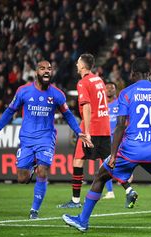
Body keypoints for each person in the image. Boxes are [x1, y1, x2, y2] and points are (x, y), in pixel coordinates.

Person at [62, 57, 151, 237]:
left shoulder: (127, 93)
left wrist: (113, 155)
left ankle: (83, 220)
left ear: (133, 74)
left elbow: (120, 126)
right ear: (150, 74)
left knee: (101, 177)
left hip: (131, 150)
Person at [0, 60, 92, 219]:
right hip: (27, 139)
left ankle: (34, 210)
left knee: (42, 172)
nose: (46, 71)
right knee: (22, 178)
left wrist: (79, 131)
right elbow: (10, 111)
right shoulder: (23, 91)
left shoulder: (57, 94)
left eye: (49, 69)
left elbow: (68, 114)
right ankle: (32, 167)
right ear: (36, 72)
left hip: (46, 138)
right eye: (42, 68)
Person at [58, 54, 137, 209]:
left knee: (78, 161)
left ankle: (75, 201)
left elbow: (86, 107)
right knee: (110, 163)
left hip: (92, 127)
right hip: (104, 127)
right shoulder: (99, 80)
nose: (76, 64)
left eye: (78, 62)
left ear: (82, 65)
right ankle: (129, 189)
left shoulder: (82, 83)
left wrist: (86, 131)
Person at [102, 81, 137, 204]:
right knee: (106, 164)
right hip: (106, 139)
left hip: (119, 139)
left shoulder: (120, 103)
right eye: (107, 88)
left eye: (112, 88)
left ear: (116, 90)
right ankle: (111, 191)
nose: (109, 90)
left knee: (118, 164)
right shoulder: (103, 105)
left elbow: (128, 119)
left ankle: (127, 184)